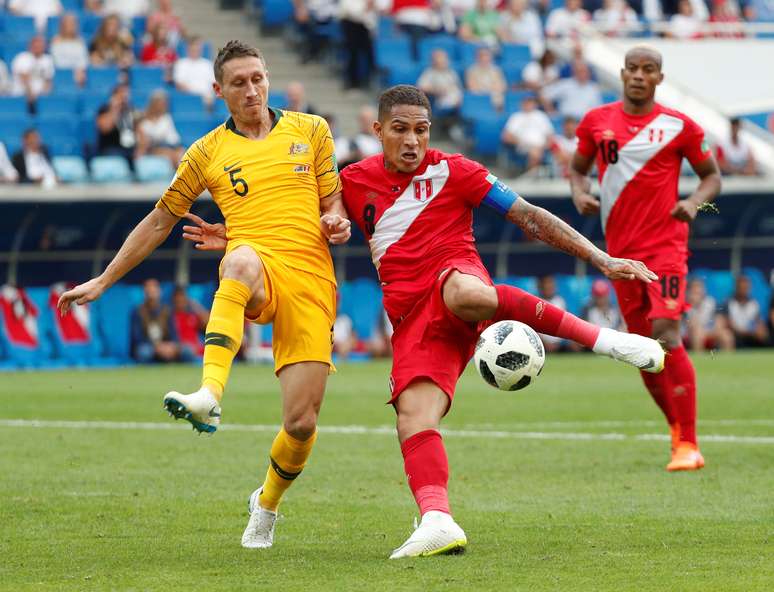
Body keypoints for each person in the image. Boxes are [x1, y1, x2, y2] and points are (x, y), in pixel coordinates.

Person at [181, 84, 665, 559]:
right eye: (400, 130)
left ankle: (606, 340)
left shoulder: (459, 172)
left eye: (421, 130)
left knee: (464, 290)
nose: (412, 141)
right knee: (413, 417)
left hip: (455, 280)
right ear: (377, 131)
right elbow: (298, 222)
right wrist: (238, 234)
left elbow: (529, 216)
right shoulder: (352, 181)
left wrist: (601, 258)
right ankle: (437, 519)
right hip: (411, 318)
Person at [58, 40, 351, 551]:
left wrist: (336, 220)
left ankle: (266, 504)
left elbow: (334, 201)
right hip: (256, 265)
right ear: (218, 91)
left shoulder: (312, 130)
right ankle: (209, 395)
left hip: (312, 281)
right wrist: (104, 279)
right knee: (235, 260)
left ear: (268, 77)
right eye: (238, 82)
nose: (252, 89)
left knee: (301, 424)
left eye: (257, 77)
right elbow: (159, 221)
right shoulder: (206, 152)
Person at [569, 46, 722, 472]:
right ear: (621, 74)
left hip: (666, 246)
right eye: (632, 68)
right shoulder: (596, 122)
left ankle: (689, 444)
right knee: (643, 349)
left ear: (659, 78)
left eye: (647, 69)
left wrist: (693, 202)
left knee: (667, 333)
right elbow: (577, 169)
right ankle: (676, 430)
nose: (638, 75)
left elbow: (712, 177)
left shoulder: (680, 126)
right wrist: (579, 193)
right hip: (618, 252)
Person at [130, 278, 184, 363]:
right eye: (149, 290)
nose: (151, 293)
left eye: (154, 290)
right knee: (144, 352)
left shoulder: (167, 310)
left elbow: (174, 334)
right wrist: (157, 347)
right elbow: (137, 339)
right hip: (149, 347)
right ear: (144, 292)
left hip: (166, 346)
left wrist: (171, 346)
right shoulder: (137, 311)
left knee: (187, 351)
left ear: (159, 291)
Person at [501, 94, 555, 173]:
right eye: (526, 103)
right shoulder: (516, 117)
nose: (528, 105)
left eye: (530, 102)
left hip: (541, 146)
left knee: (535, 152)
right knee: (534, 152)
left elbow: (550, 135)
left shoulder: (541, 116)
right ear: (521, 104)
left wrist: (544, 147)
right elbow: (506, 136)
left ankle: (532, 174)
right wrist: (522, 143)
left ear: (535, 104)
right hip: (522, 146)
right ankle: (535, 175)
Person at [683, 277, 734, 352]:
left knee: (727, 336)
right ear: (689, 291)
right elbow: (692, 326)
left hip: (708, 331)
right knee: (697, 335)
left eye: (700, 287)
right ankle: (699, 361)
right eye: (694, 288)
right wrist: (694, 304)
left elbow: (719, 322)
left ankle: (727, 361)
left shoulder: (711, 301)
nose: (698, 290)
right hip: (689, 334)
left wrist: (714, 330)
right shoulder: (685, 304)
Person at [136, 90, 184, 167]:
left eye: (165, 103)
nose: (164, 106)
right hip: (150, 149)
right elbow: (143, 143)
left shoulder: (166, 119)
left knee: (181, 153)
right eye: (162, 103)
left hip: (167, 147)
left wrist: (177, 149)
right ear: (154, 104)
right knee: (171, 155)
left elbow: (174, 139)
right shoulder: (143, 121)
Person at [96, 83, 138, 165]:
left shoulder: (130, 110)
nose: (124, 97)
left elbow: (138, 130)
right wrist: (115, 109)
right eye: (121, 94)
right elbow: (105, 128)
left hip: (129, 147)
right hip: (111, 148)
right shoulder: (104, 109)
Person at [723, 274, 769, 347]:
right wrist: (749, 332)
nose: (744, 289)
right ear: (737, 287)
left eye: (746, 287)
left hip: (750, 335)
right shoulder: (728, 302)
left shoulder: (754, 303)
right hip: (735, 335)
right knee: (727, 337)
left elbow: (759, 321)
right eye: (742, 287)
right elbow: (729, 324)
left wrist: (760, 329)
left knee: (764, 334)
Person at [11, 36, 54, 108]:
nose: (38, 47)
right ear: (30, 46)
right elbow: (24, 78)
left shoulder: (48, 60)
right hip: (22, 95)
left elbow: (48, 81)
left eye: (41, 45)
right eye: (36, 45)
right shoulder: (22, 57)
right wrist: (31, 94)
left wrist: (42, 96)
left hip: (40, 97)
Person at [173, 36, 215, 106]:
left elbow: (214, 84)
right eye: (193, 48)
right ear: (188, 49)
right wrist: (197, 96)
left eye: (198, 48)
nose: (195, 50)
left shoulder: (208, 64)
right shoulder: (181, 63)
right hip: (189, 98)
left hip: (208, 99)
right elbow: (179, 84)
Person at [50, 12, 89, 86]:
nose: (72, 26)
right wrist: (73, 73)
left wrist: (80, 71)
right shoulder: (56, 41)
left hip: (79, 75)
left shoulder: (80, 42)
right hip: (62, 76)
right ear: (63, 25)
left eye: (74, 23)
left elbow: (83, 60)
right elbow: (58, 62)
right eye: (69, 24)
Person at [465, 46, 507, 111]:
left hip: (496, 99)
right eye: (481, 56)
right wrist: (490, 90)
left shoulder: (496, 70)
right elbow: (473, 88)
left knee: (499, 96)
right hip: (480, 100)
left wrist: (491, 89)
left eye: (487, 55)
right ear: (477, 57)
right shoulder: (471, 71)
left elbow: (502, 86)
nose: (484, 58)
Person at [172, 285, 209, 357]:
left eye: (182, 298)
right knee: (187, 351)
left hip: (197, 349)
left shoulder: (191, 315)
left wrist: (195, 305)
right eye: (178, 299)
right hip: (181, 350)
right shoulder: (171, 316)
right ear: (174, 300)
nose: (180, 301)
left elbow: (209, 323)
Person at [536, 275, 567, 352]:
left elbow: (565, 323)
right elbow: (532, 327)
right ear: (540, 286)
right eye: (546, 283)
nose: (548, 286)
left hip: (560, 345)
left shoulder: (560, 301)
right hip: (540, 344)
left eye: (550, 283)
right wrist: (544, 343)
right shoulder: (535, 302)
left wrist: (557, 343)